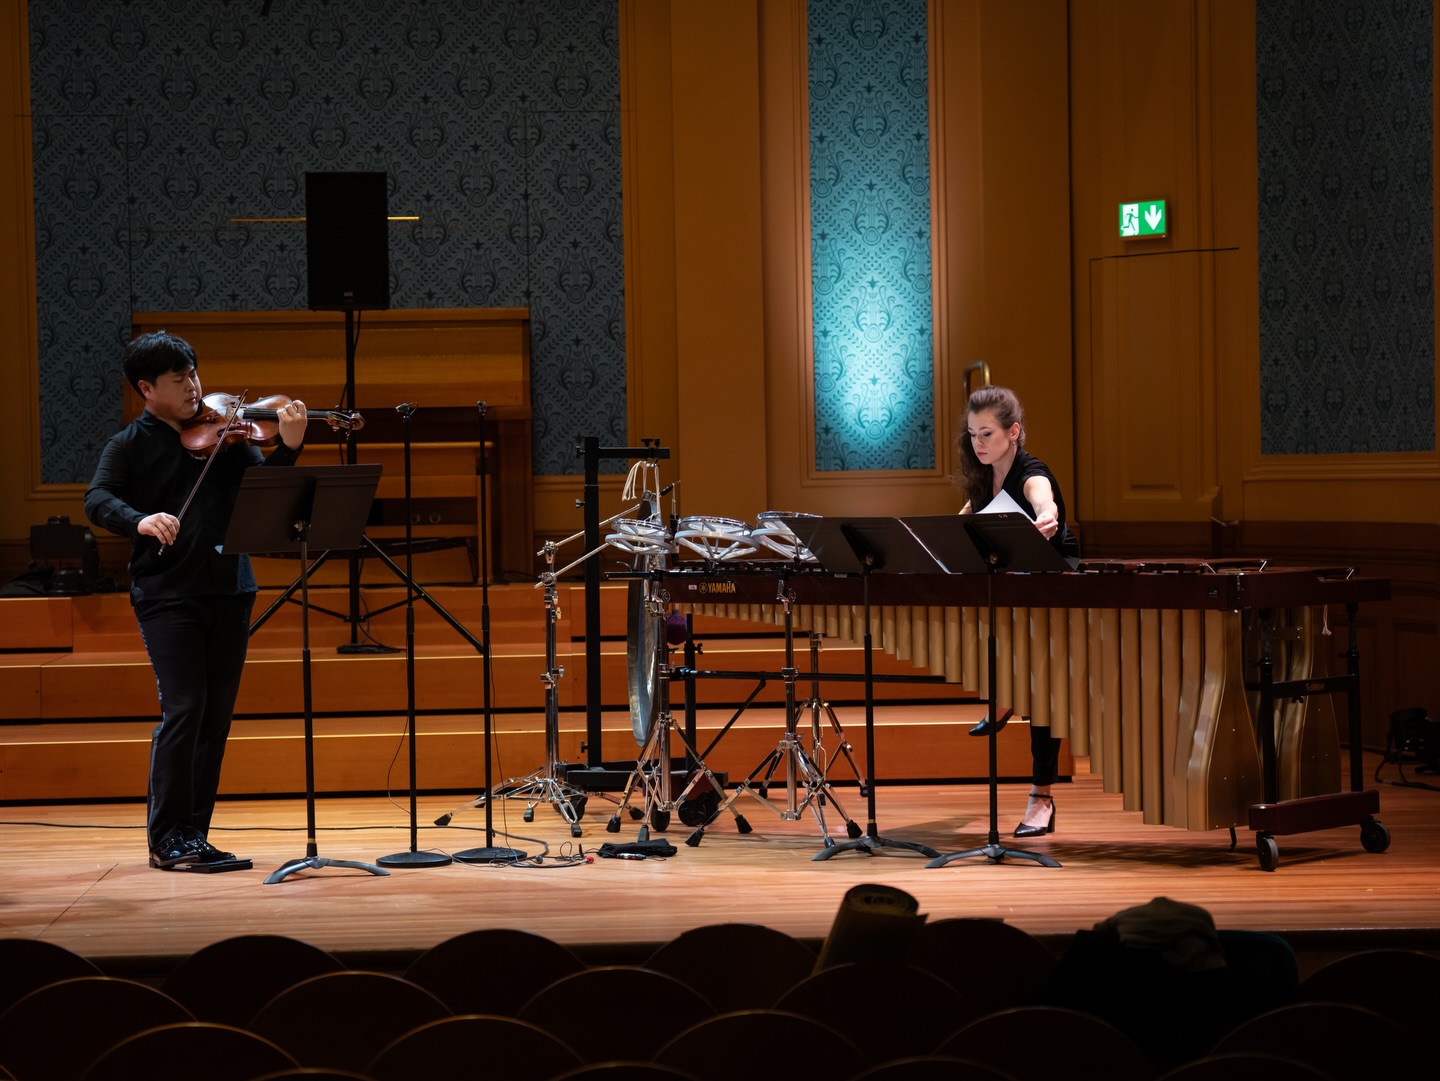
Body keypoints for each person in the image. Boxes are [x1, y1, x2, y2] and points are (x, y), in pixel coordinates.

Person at [84, 331, 308, 869]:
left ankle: (195, 836)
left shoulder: (228, 437)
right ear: (147, 388)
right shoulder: (129, 444)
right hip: (167, 594)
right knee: (185, 709)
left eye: (194, 374)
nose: (194, 387)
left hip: (230, 588)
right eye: (179, 378)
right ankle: (167, 838)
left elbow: (264, 494)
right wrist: (138, 519)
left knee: (215, 718)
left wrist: (292, 448)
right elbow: (98, 499)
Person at [955, 384, 1079, 838]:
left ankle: (1040, 797)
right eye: (972, 434)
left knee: (1046, 692)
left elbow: (1042, 497)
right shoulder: (981, 479)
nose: (978, 443)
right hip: (1010, 588)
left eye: (987, 433)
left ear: (1015, 432)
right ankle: (1003, 688)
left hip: (1051, 588)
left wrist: (1046, 514)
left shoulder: (1031, 472)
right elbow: (963, 525)